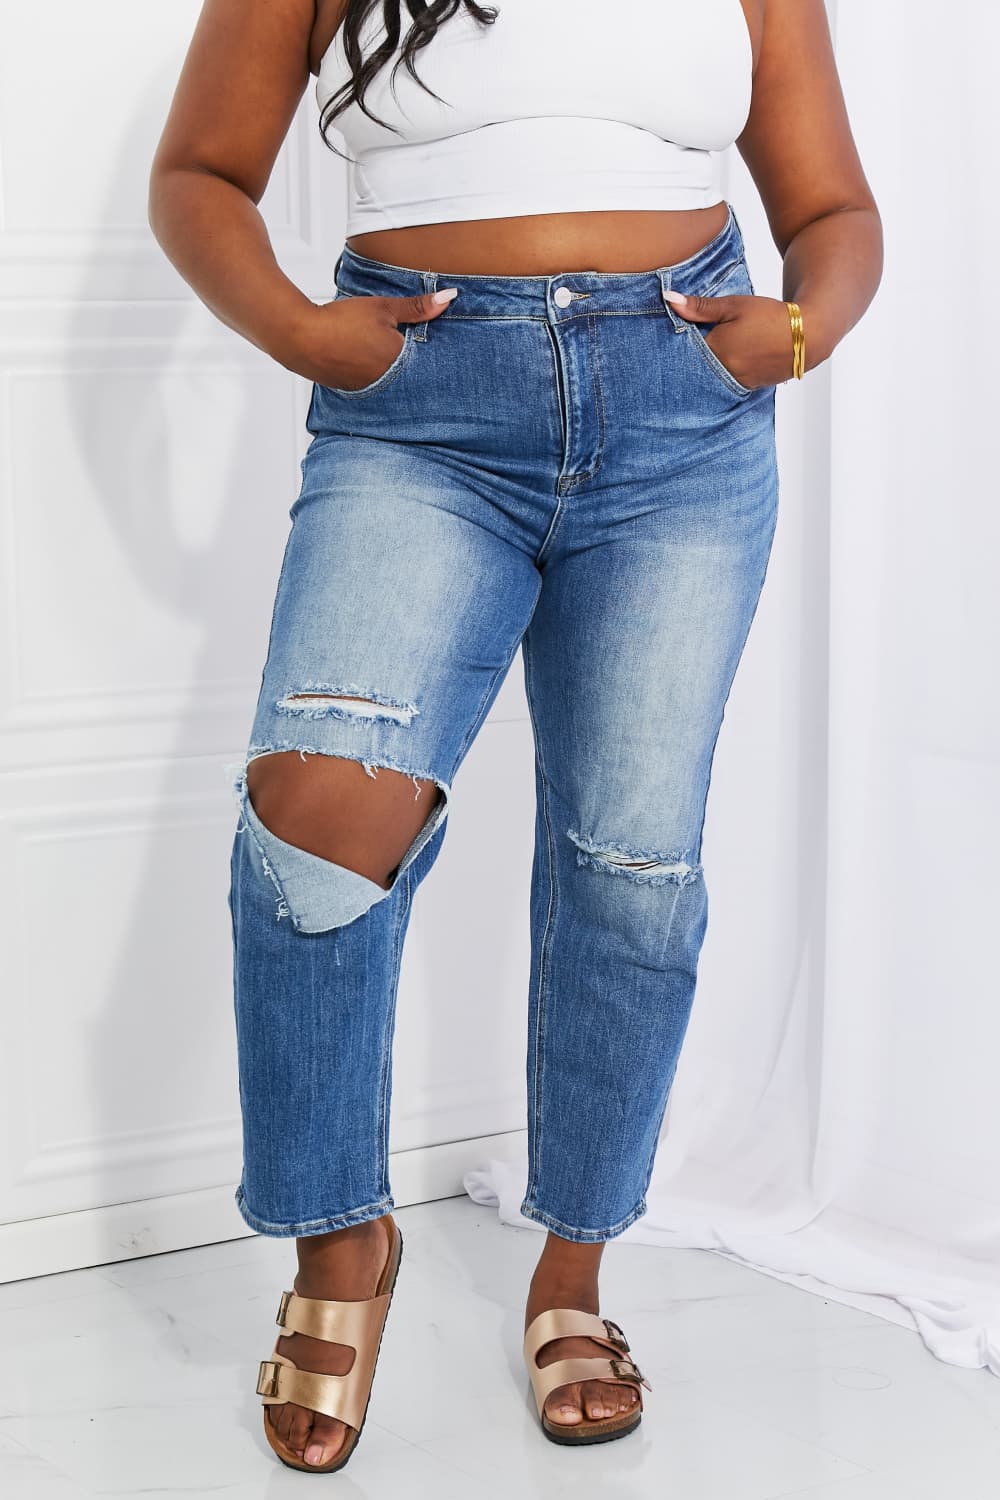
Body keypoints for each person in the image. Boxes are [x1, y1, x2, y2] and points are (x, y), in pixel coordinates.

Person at [148, 0, 882, 1474]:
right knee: (315, 820)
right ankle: (340, 1243)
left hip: (683, 417)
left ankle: (574, 1271)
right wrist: (302, 332)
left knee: (631, 866)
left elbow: (833, 210)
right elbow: (198, 175)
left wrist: (802, 328)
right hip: (421, 409)